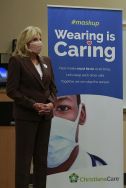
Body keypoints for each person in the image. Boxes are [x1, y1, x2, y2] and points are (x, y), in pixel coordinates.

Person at [6, 26, 57, 188]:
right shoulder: (17, 61)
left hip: (45, 116)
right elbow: (12, 90)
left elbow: (53, 88)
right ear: (25, 42)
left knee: (41, 160)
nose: (39, 42)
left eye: (39, 38)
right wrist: (33, 105)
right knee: (24, 160)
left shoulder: (47, 61)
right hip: (26, 117)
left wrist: (51, 103)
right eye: (34, 39)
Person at [47, 95, 107, 175]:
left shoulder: (103, 173)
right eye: (43, 108)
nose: (52, 119)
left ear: (81, 114)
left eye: (63, 108)